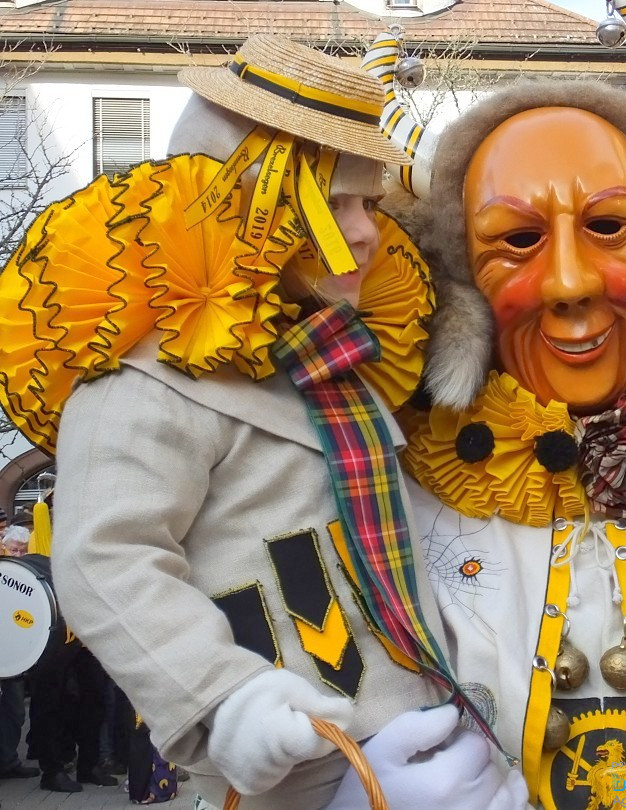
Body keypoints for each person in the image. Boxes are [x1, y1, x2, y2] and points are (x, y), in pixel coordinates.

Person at [0, 34, 525, 810]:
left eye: (370, 203)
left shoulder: (341, 365)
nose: (366, 232)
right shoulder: (141, 382)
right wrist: (226, 701)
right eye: (333, 202)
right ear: (240, 203)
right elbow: (103, 556)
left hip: (425, 743)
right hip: (293, 773)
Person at [365, 3, 626, 806]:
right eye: (517, 241)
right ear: (460, 281)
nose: (570, 283)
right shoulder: (399, 478)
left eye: (609, 227)